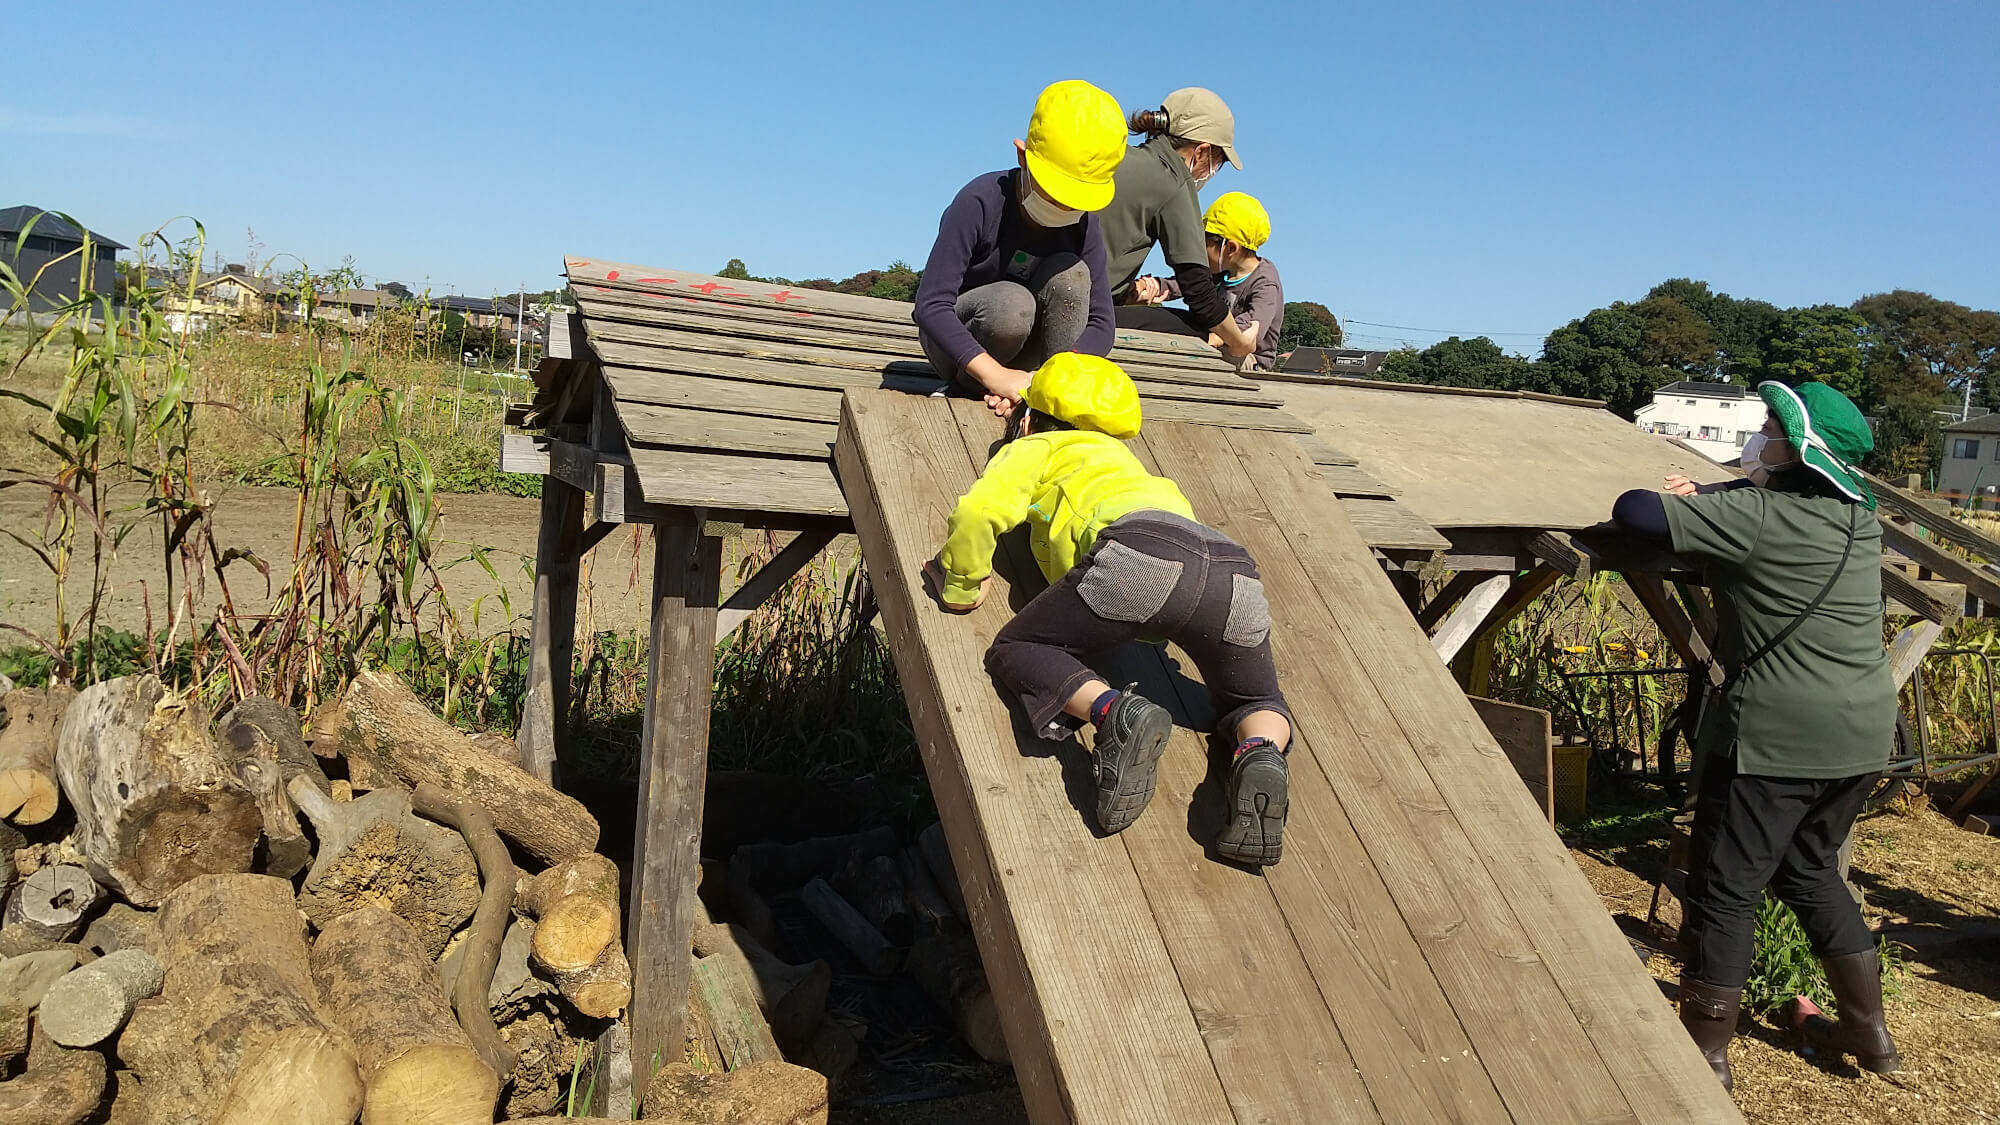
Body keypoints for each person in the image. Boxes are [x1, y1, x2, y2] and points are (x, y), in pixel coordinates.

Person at [1610, 381, 1898, 1089]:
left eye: (1768, 427)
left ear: (1797, 450)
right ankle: (1869, 1030)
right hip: (1861, 734)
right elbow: (1762, 511)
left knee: (1729, 887)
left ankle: (1705, 1054)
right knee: (1809, 869)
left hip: (1778, 735)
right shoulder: (1863, 520)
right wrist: (1731, 489)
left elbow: (1635, 510)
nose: (1756, 435)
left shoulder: (1757, 514)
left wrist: (1721, 492)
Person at [918, 353, 1294, 865]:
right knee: (1256, 697)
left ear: (1028, 418)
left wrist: (961, 581)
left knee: (1019, 646)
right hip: (1231, 567)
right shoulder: (1128, 462)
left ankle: (1113, 713)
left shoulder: (1041, 445)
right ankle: (1260, 751)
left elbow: (979, 511)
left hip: (1142, 557)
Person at [914, 80, 1125, 416]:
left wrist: (1042, 380)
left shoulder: (1085, 225)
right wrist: (995, 375)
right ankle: (970, 389)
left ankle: (1043, 401)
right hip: (960, 349)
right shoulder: (979, 201)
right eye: (1052, 191)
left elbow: (1102, 324)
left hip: (1030, 367)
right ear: (1022, 156)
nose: (1062, 207)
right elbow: (930, 306)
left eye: (1075, 200)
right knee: (1013, 305)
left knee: (1073, 276)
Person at [1098, 89, 1260, 362]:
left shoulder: (1120, 157)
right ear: (1202, 152)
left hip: (1050, 294)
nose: (1211, 172)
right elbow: (1201, 297)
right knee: (1200, 327)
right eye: (1218, 163)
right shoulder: (1173, 178)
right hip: (1082, 314)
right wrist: (1240, 341)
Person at [1127, 191, 1283, 371]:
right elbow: (1187, 285)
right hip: (1214, 339)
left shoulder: (1265, 283)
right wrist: (1156, 286)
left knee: (1190, 354)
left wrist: (1219, 337)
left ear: (1230, 248)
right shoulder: (1224, 270)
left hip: (1249, 359)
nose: (1200, 251)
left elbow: (1252, 328)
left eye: (1204, 244)